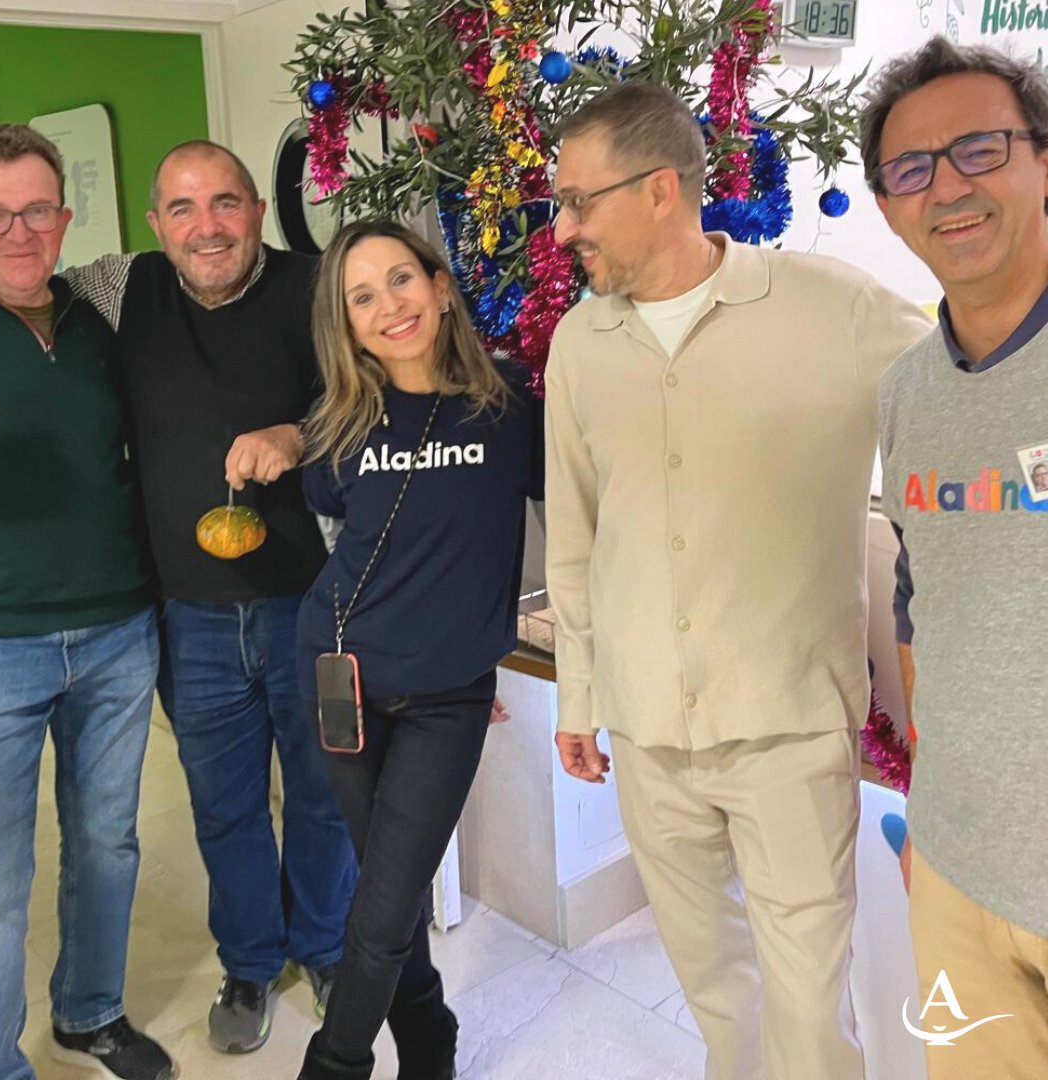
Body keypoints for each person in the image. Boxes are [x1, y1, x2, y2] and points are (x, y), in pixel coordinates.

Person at [544, 82, 931, 1079]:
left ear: (661, 190)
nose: (564, 227)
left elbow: (971, 383)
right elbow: (577, 533)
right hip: (646, 727)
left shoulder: (832, 307)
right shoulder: (582, 341)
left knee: (808, 1005)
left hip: (790, 721)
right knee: (716, 987)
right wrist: (582, 697)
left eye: (580, 201)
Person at [63, 140, 357, 1053]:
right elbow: (9, 262)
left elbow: (378, 393)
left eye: (225, 203)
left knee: (321, 793)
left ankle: (326, 945)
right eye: (182, 210)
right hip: (186, 614)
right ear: (155, 224)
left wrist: (297, 433)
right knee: (223, 803)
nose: (207, 227)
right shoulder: (123, 287)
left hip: (313, 604)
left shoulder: (317, 286)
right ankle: (251, 959)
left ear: (256, 212)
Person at [293, 219, 543, 1080]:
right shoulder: (336, 427)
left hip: (448, 698)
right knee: (387, 899)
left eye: (401, 279)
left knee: (380, 910)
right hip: (339, 677)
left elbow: (579, 527)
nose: (389, 305)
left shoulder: (512, 407)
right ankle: (429, 1036)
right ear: (347, 322)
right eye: (363, 296)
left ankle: (336, 1063)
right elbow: (346, 544)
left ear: (439, 286)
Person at [0, 125, 174, 1080]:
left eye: (36, 209)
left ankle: (90, 1013)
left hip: (118, 635)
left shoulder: (102, 312)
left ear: (65, 215)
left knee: (108, 845)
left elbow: (212, 252)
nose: (18, 232)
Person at [862, 36, 1048, 1076]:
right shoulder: (905, 391)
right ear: (888, 206)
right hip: (958, 877)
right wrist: (932, 816)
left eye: (980, 149)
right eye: (912, 169)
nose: (948, 188)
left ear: (1043, 159)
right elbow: (915, 591)